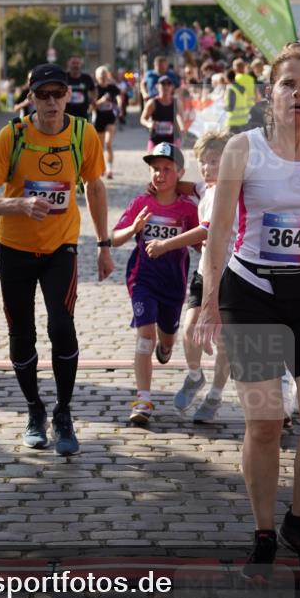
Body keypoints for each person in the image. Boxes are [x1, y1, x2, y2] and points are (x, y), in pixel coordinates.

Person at [196, 43, 300, 579]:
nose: (297, 93)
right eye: (287, 84)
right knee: (265, 422)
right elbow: (219, 233)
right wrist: (208, 304)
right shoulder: (242, 150)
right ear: (270, 93)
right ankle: (265, 531)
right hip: (252, 297)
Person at [0, 63, 114, 456]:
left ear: (69, 95)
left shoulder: (81, 132)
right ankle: (34, 409)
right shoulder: (13, 135)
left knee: (62, 325)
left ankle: (64, 412)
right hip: (15, 249)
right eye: (44, 95)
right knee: (21, 334)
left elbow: (94, 185)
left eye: (59, 94)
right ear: (32, 97)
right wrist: (17, 204)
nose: (52, 101)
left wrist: (104, 245)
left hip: (61, 247)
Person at [145, 131, 235, 423]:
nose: (207, 168)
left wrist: (165, 245)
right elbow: (187, 185)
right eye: (203, 162)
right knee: (188, 330)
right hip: (203, 271)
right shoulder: (205, 187)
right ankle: (196, 376)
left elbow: (205, 230)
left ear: (230, 162)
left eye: (214, 161)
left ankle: (215, 395)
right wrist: (162, 183)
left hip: (231, 273)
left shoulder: (227, 191)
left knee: (225, 342)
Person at [112, 143, 199, 428]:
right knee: (145, 335)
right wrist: (134, 229)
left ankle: (166, 345)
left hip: (174, 281)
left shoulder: (188, 208)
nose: (160, 175)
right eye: (155, 169)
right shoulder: (141, 203)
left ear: (179, 172)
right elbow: (114, 238)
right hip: (142, 279)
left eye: (167, 169)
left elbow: (201, 240)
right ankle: (143, 399)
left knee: (166, 338)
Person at [141, 76, 185, 150]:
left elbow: (180, 118)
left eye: (169, 84)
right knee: (152, 160)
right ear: (157, 86)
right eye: (163, 84)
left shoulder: (177, 103)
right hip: (156, 140)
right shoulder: (152, 103)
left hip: (173, 139)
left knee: (173, 161)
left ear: (172, 87)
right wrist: (149, 124)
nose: (166, 86)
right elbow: (143, 119)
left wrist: (182, 128)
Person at [93, 65, 120, 179]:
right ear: (97, 77)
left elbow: (119, 96)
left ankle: (109, 169)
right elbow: (92, 106)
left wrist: (120, 106)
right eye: (101, 76)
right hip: (98, 119)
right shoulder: (95, 88)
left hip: (110, 118)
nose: (103, 78)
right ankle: (101, 167)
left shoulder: (112, 87)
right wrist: (102, 101)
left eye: (104, 75)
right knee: (100, 147)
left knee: (108, 144)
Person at [65, 54, 96, 121]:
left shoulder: (87, 78)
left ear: (81, 64)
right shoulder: (64, 77)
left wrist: (92, 101)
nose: (75, 65)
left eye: (77, 63)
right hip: (66, 116)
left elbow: (93, 90)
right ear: (68, 64)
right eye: (73, 63)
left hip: (83, 115)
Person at [224, 69, 250, 133]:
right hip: (243, 121)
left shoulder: (231, 89)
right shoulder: (243, 88)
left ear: (227, 78)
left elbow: (230, 108)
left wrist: (224, 107)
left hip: (233, 122)